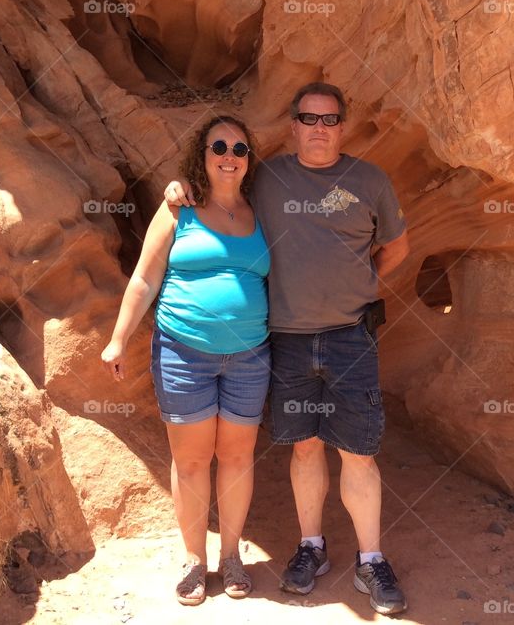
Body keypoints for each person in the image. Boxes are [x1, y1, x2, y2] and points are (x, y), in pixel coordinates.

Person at [165, 83, 411, 615]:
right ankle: (311, 548)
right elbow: (219, 187)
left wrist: (362, 284)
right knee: (303, 447)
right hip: (288, 340)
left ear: (343, 126)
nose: (319, 128)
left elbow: (396, 246)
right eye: (308, 118)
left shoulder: (369, 180)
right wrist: (176, 188)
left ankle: (371, 558)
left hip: (350, 336)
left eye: (329, 119)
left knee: (359, 453)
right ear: (293, 125)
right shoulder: (268, 176)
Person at [102, 115, 271, 605]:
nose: (229, 155)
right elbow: (144, 278)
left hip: (248, 355)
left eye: (240, 149)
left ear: (248, 161)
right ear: (202, 154)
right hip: (183, 353)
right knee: (192, 460)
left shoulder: (261, 215)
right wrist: (118, 339)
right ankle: (195, 561)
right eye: (219, 146)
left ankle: (232, 556)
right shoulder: (179, 209)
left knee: (237, 458)